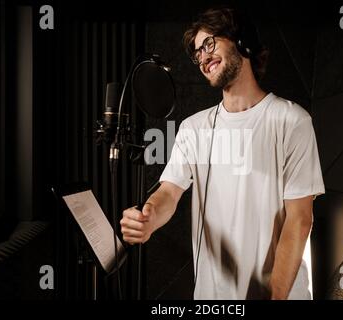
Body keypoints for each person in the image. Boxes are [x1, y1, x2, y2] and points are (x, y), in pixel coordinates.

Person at [120, 6, 325, 300]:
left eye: (209, 43)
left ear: (242, 42)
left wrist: (276, 298)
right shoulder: (193, 128)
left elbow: (300, 219)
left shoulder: (292, 121)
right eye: (196, 53)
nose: (202, 57)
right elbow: (169, 191)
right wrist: (149, 217)